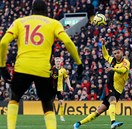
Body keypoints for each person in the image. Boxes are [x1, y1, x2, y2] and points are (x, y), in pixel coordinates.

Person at [0, 0, 83, 129]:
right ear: (46, 12)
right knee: (47, 104)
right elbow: (67, 42)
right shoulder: (53, 23)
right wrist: (79, 63)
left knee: (14, 97)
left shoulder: (19, 22)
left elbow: (3, 43)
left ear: (31, 10)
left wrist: (2, 66)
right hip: (43, 69)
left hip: (23, 67)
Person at [73, 38, 130, 129]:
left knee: (99, 111)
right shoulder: (113, 60)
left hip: (118, 89)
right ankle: (113, 122)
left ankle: (78, 123)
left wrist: (113, 69)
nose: (116, 55)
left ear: (122, 52)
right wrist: (103, 45)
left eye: (118, 53)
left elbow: (123, 70)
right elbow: (105, 55)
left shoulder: (126, 62)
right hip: (110, 85)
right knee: (113, 101)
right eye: (114, 53)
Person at [51, 57, 74, 122]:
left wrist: (69, 86)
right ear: (55, 62)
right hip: (52, 88)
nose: (58, 63)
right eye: (56, 61)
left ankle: (61, 116)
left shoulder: (63, 70)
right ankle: (49, 115)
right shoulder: (52, 69)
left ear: (60, 62)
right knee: (50, 103)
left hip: (60, 88)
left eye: (59, 61)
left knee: (61, 102)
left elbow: (66, 78)